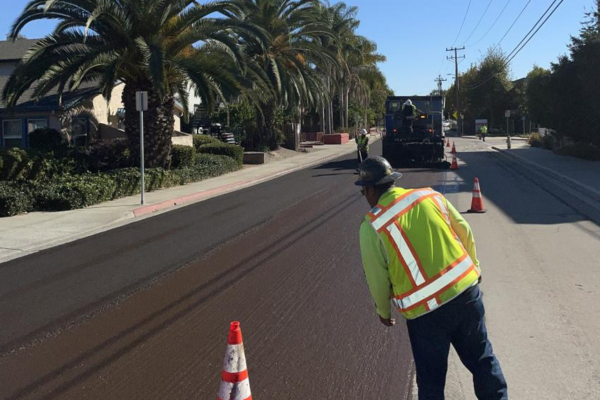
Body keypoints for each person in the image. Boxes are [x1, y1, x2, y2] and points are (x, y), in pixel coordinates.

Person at [356, 156, 507, 400]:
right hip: (466, 295)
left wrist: (383, 311)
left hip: (426, 315)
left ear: (371, 189)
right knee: (482, 360)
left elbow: (377, 276)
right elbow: (464, 232)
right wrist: (474, 268)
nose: (365, 197)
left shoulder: (372, 225)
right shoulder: (430, 196)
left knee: (431, 382)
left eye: (364, 191)